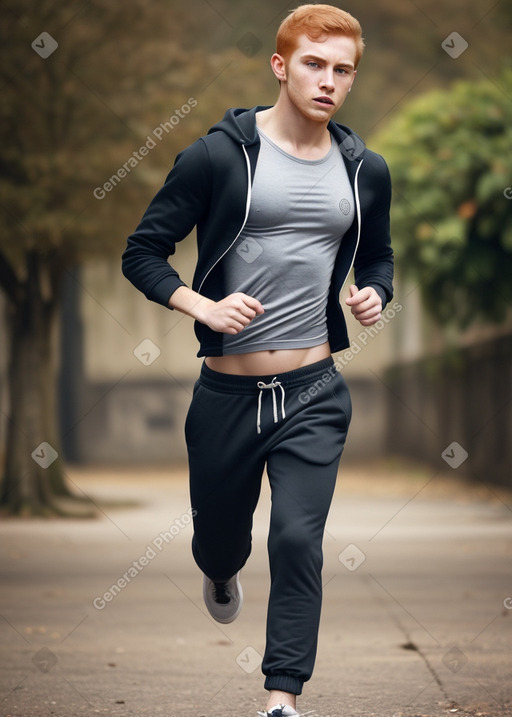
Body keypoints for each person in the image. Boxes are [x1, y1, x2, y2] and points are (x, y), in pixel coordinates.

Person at [122, 4, 393, 715]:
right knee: (220, 539)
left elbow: (378, 257)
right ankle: (217, 568)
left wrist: (375, 295)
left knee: (298, 537)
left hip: (313, 389)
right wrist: (200, 306)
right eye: (314, 63)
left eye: (342, 70)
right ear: (280, 65)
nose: (328, 80)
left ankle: (281, 698)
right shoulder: (217, 157)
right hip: (227, 396)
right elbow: (142, 251)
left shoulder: (366, 170)